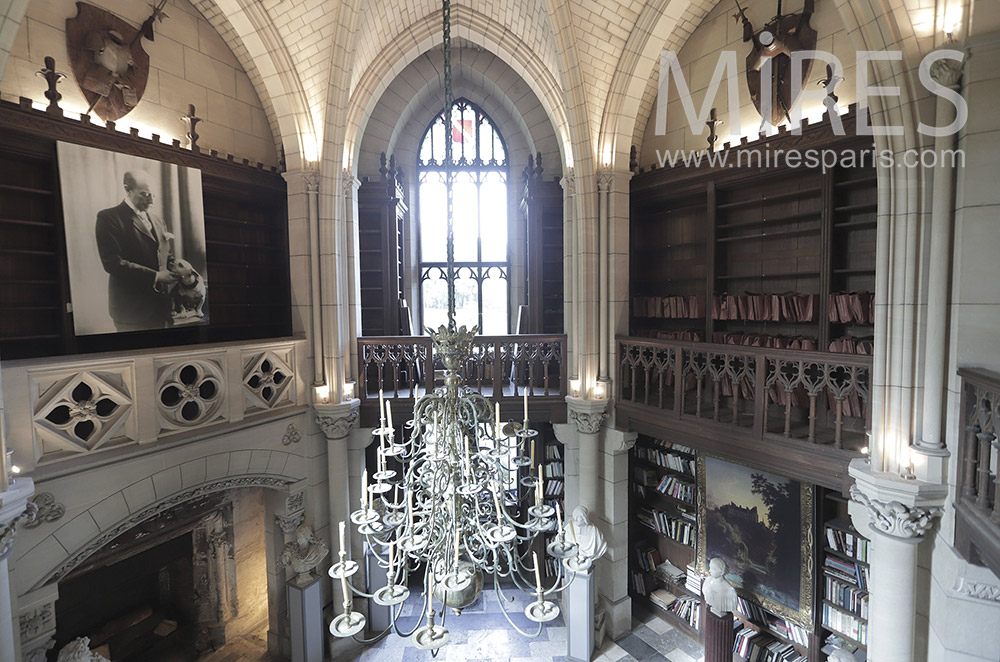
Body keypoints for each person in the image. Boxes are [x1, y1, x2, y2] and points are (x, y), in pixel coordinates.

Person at [95, 170, 176, 332]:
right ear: (128, 189)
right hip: (131, 311)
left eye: (153, 194)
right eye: (145, 194)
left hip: (160, 306)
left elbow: (166, 255)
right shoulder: (108, 218)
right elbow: (113, 263)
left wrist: (177, 269)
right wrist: (156, 276)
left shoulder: (159, 221)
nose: (151, 200)